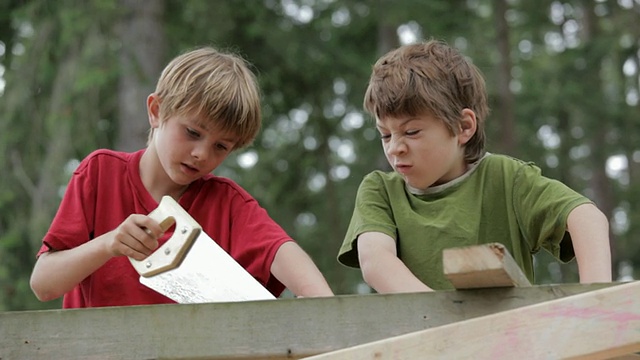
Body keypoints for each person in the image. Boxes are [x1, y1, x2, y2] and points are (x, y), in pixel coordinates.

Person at [30, 46, 333, 307]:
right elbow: (44, 285)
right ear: (156, 111)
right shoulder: (99, 174)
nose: (202, 154)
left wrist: (321, 306)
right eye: (192, 132)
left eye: (221, 146)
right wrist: (110, 244)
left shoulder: (228, 204)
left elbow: (287, 257)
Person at [337, 40, 612, 293]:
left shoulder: (506, 178)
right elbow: (375, 261)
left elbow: (586, 218)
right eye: (386, 134)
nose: (394, 147)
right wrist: (445, 322)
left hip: (512, 342)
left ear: (463, 126)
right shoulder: (381, 191)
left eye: (411, 132)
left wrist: (595, 302)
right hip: (422, 343)